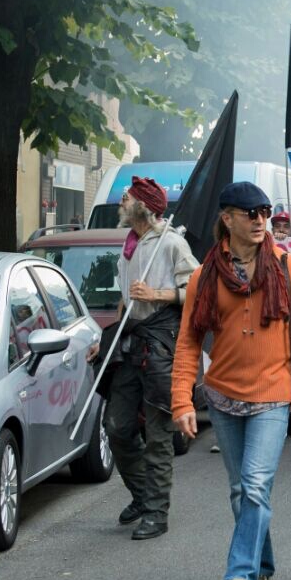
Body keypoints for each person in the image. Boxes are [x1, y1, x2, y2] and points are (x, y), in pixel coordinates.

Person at [172, 182, 291, 580]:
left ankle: (238, 574)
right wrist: (182, 401)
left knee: (256, 485)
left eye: (264, 211)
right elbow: (188, 342)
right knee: (242, 491)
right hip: (222, 396)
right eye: (250, 212)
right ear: (227, 219)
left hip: (273, 397)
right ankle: (263, 565)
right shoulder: (204, 276)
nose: (260, 220)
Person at [86, 177, 198, 541]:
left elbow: (196, 289)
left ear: (144, 206)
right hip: (131, 341)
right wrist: (107, 341)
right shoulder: (130, 244)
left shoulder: (172, 243)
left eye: (129, 196)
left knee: (158, 433)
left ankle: (156, 513)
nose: (123, 199)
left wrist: (157, 293)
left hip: (161, 346)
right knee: (117, 427)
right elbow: (126, 299)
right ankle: (142, 495)